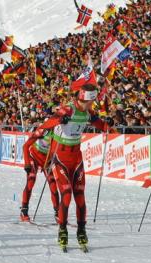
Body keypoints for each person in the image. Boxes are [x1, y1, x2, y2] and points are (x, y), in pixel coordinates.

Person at [36, 83, 115, 249]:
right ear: (85, 98)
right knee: (66, 194)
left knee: (80, 196)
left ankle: (81, 230)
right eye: (91, 101)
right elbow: (46, 125)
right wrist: (59, 119)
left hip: (76, 159)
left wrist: (109, 125)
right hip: (61, 160)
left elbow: (103, 126)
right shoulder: (68, 109)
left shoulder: (88, 112)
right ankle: (62, 229)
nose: (92, 105)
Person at [20, 127, 59, 222]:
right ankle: (24, 210)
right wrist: (27, 164)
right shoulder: (42, 131)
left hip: (46, 161)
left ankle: (58, 213)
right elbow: (25, 146)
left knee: (53, 184)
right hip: (33, 157)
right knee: (31, 180)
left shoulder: (59, 134)